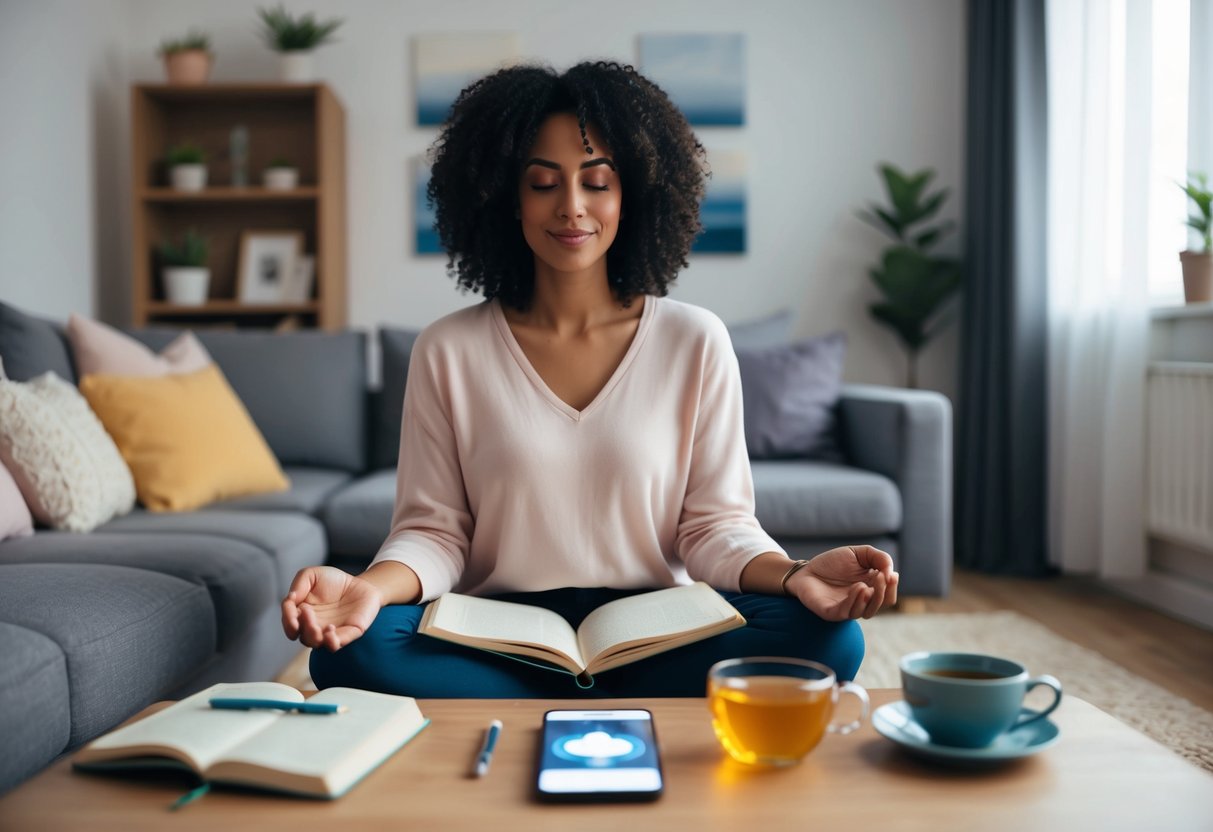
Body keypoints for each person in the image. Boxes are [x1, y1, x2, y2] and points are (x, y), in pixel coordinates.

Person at [281, 61, 898, 698]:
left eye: (596, 182)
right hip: (500, 632)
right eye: (543, 183)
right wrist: (367, 589)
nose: (571, 207)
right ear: (505, 198)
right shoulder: (448, 349)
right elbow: (435, 532)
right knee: (352, 655)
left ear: (632, 193)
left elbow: (714, 527)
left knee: (830, 636)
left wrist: (795, 573)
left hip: (660, 630)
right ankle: (596, 694)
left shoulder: (696, 340)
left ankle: (537, 701)